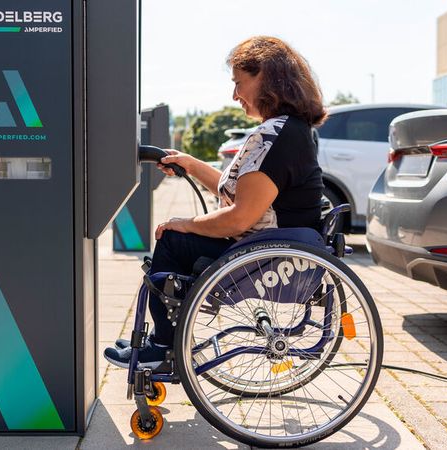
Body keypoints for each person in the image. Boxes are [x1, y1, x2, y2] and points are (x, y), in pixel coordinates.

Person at [104, 36, 327, 369]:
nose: (234, 94)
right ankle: (164, 340)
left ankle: (163, 348)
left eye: (239, 83)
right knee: (179, 237)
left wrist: (183, 223)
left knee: (173, 241)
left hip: (266, 257)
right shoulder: (289, 131)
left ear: (266, 78)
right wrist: (192, 165)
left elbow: (239, 218)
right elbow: (238, 194)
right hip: (277, 249)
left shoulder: (272, 136)